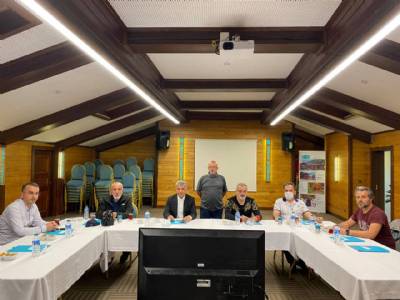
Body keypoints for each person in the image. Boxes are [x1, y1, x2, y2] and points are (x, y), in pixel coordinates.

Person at [273, 182, 316, 271]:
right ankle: (295, 262)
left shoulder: (300, 202)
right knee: (284, 240)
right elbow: (276, 214)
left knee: (306, 240)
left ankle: (301, 262)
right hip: (284, 228)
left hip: (298, 229)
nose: (288, 192)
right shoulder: (279, 201)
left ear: (295, 192)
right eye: (286, 190)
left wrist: (313, 218)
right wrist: (278, 217)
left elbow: (307, 213)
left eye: (290, 190)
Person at [96, 181, 135, 265]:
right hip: (109, 224)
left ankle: (126, 252)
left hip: (123, 224)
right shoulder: (105, 199)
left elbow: (129, 213)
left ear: (122, 190)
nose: (117, 191)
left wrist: (117, 214)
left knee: (127, 234)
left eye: (119, 189)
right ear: (111, 191)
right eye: (114, 189)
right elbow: (98, 214)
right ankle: (108, 255)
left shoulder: (127, 199)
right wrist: (108, 214)